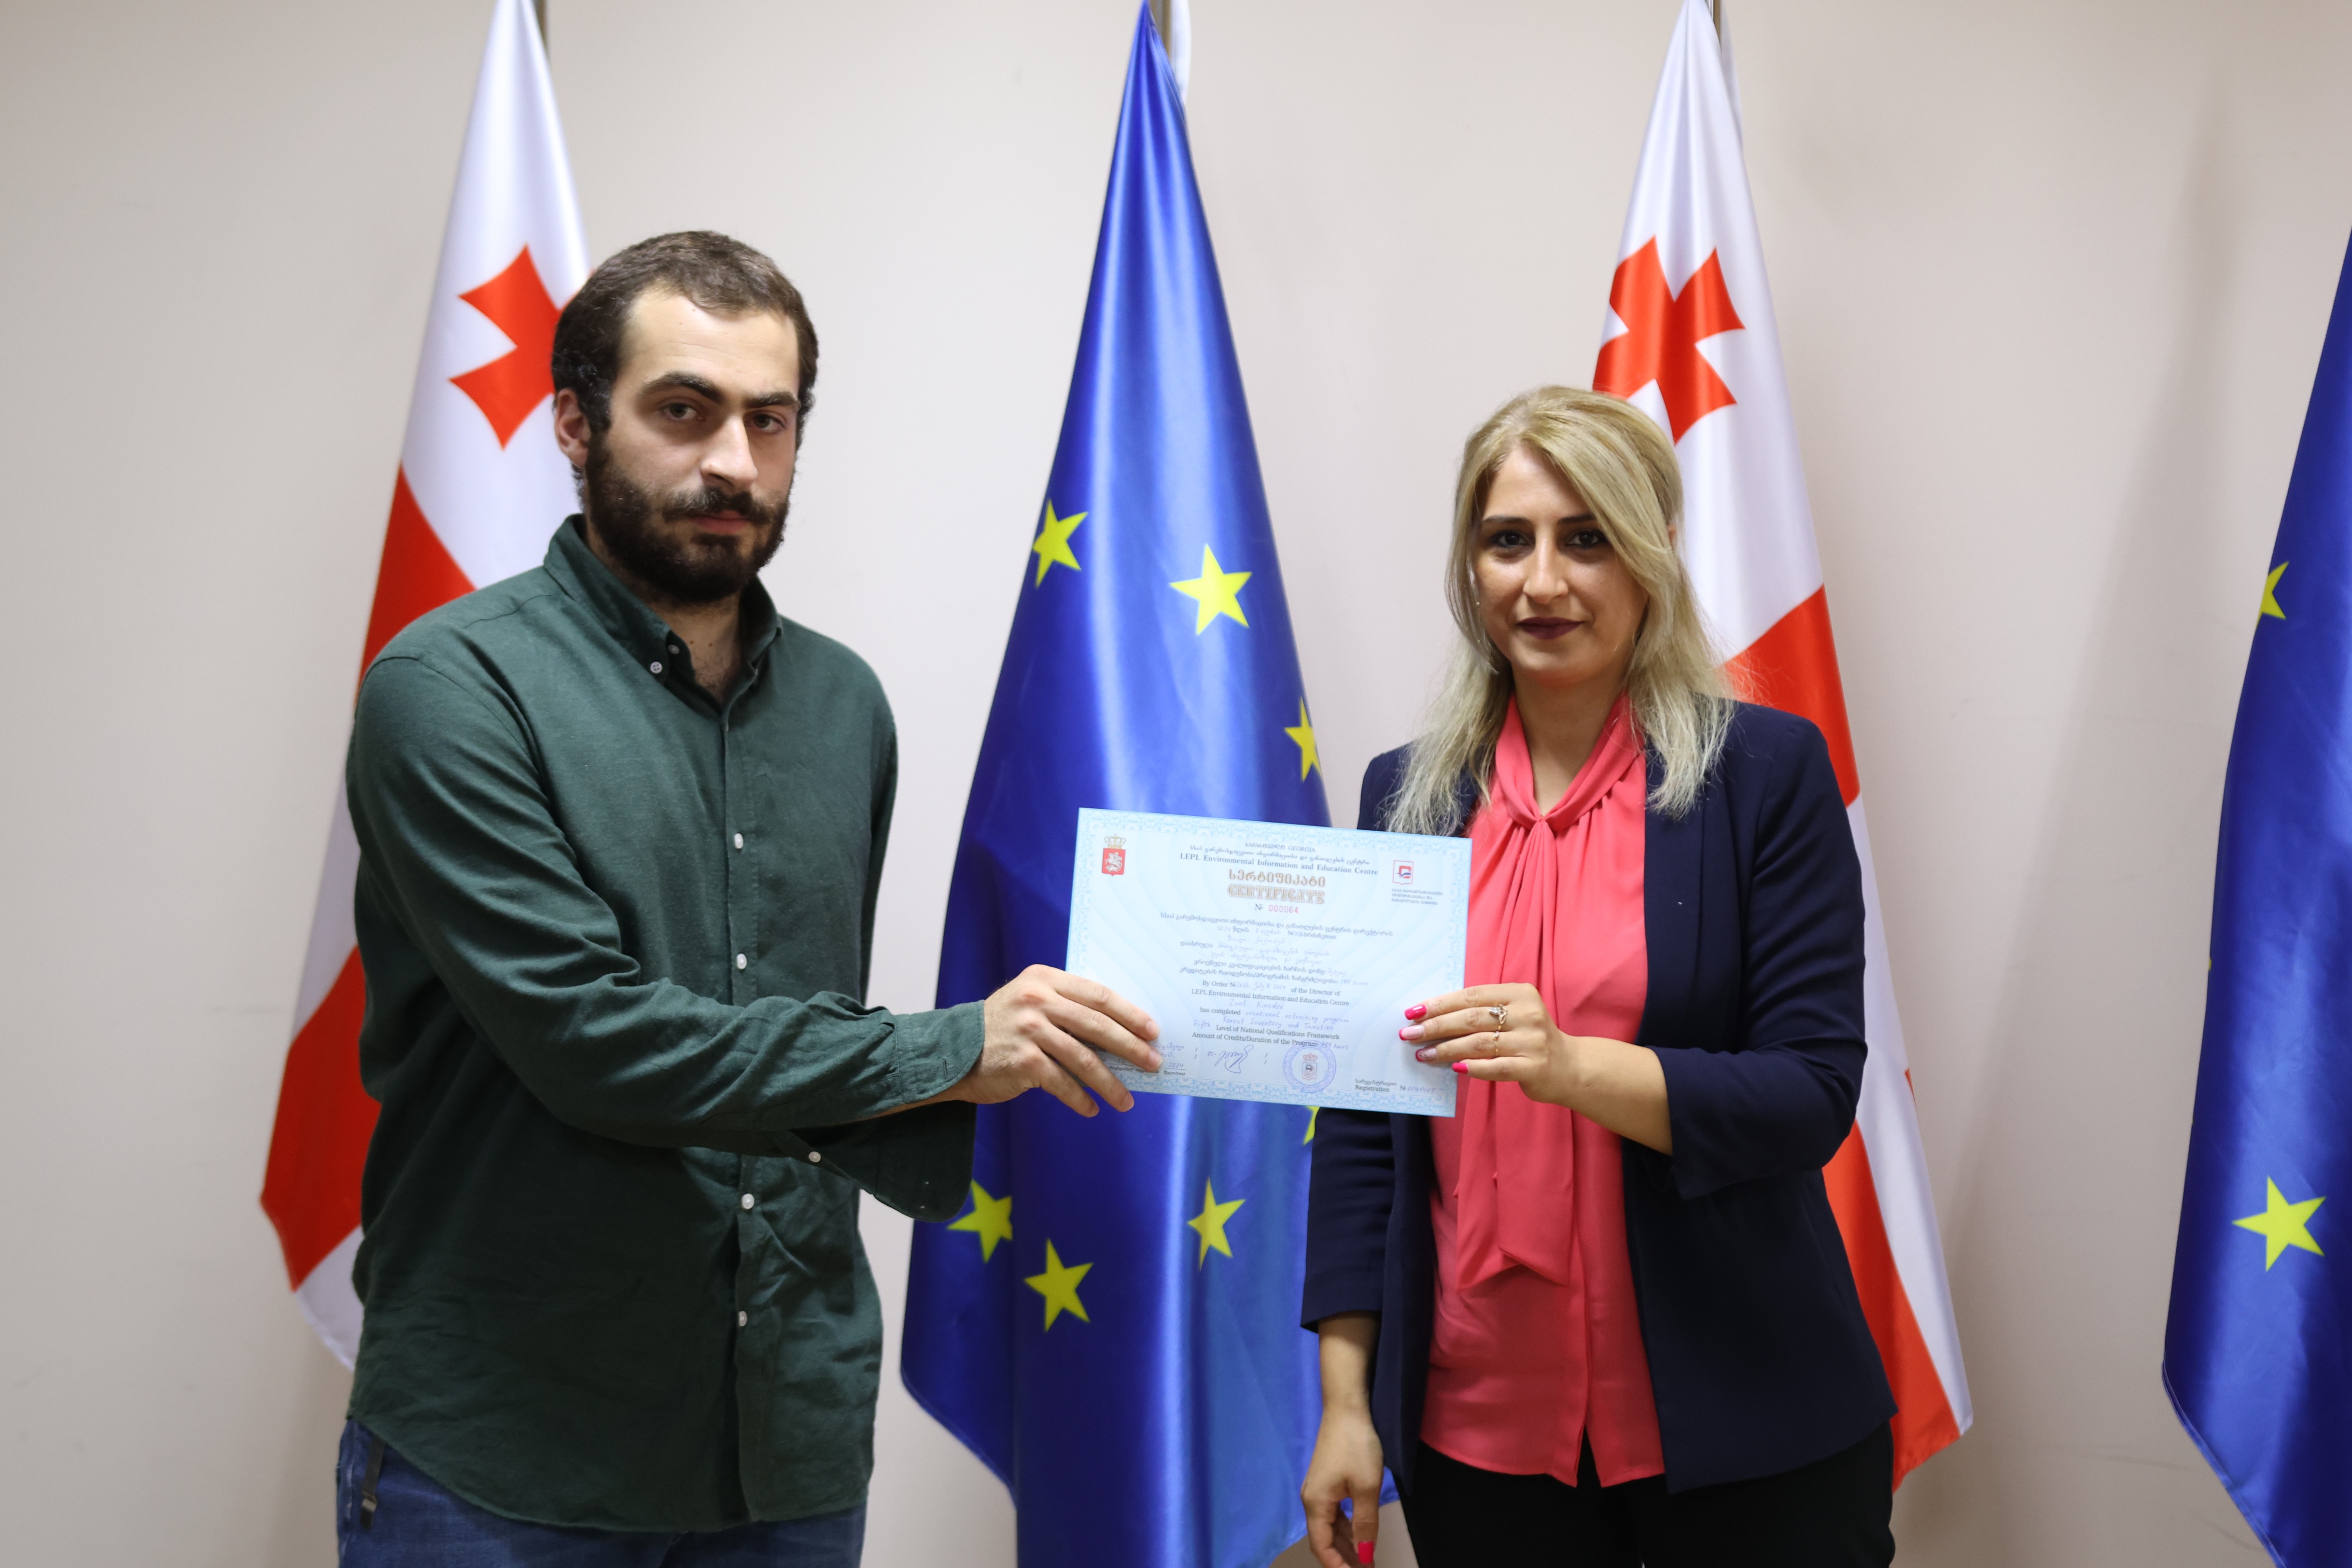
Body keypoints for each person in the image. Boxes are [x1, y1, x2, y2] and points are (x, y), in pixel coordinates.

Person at [335, 231, 1161, 1566]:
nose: (733, 461)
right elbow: (593, 1043)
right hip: (509, 1446)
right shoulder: (451, 690)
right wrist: (954, 1049)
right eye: (683, 410)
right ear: (573, 424)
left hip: (788, 1442)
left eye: (770, 421)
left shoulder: (844, 706)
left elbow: (796, 1038)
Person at [1298, 386, 1896, 1568]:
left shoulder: (1768, 774)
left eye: (1586, 539)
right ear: (1469, 564)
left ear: (1652, 554)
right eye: (1505, 540)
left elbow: (1810, 1092)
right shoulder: (1404, 795)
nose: (1543, 581)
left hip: (1747, 1415)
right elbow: (1365, 1125)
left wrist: (1574, 1067)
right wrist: (1346, 1402)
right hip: (1478, 1437)